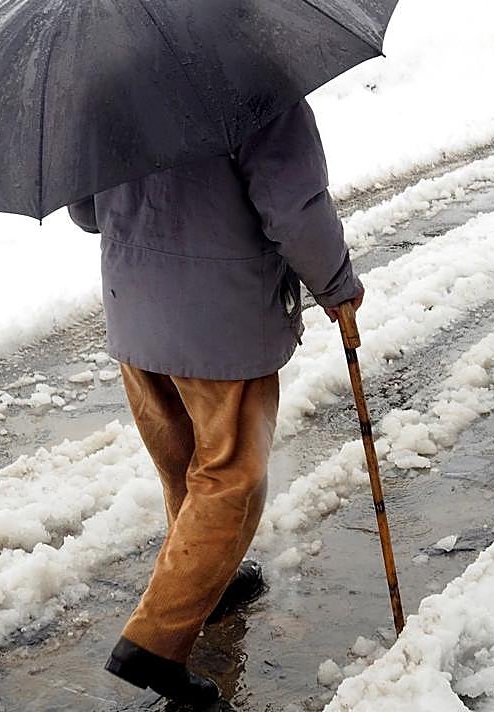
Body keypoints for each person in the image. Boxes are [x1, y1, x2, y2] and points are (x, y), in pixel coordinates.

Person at [69, 98, 364, 707]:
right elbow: (294, 207)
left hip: (135, 312)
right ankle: (154, 643)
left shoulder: (106, 81)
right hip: (221, 321)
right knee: (232, 478)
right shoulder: (256, 84)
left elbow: (85, 212)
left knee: (183, 464)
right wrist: (336, 284)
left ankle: (212, 581)